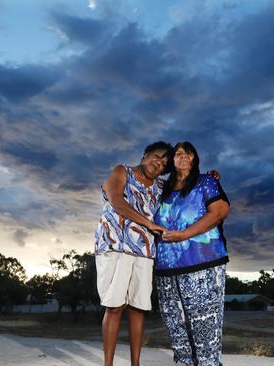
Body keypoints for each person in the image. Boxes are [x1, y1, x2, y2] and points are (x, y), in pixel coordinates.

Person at [94, 141, 170, 366]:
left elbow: (186, 183)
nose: (159, 163)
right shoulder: (122, 171)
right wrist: (148, 223)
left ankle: (135, 364)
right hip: (116, 245)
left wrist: (209, 176)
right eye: (157, 156)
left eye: (165, 163)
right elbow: (117, 201)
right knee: (115, 306)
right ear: (145, 155)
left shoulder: (160, 186)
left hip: (145, 252)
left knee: (138, 309)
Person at [154, 141, 230, 366]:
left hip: (203, 264)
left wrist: (184, 234)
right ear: (172, 160)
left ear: (195, 158)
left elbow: (219, 212)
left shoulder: (205, 182)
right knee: (175, 325)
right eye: (178, 153)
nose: (183, 156)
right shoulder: (161, 189)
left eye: (188, 153)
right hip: (166, 270)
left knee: (205, 327)